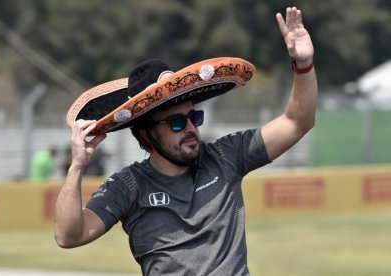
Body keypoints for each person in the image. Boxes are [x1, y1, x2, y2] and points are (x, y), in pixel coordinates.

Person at [54, 7, 317, 275]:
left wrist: (303, 64)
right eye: (177, 123)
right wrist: (76, 167)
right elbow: (68, 236)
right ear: (146, 134)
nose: (191, 128)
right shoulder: (128, 186)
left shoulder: (225, 156)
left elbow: (297, 122)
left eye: (194, 117)